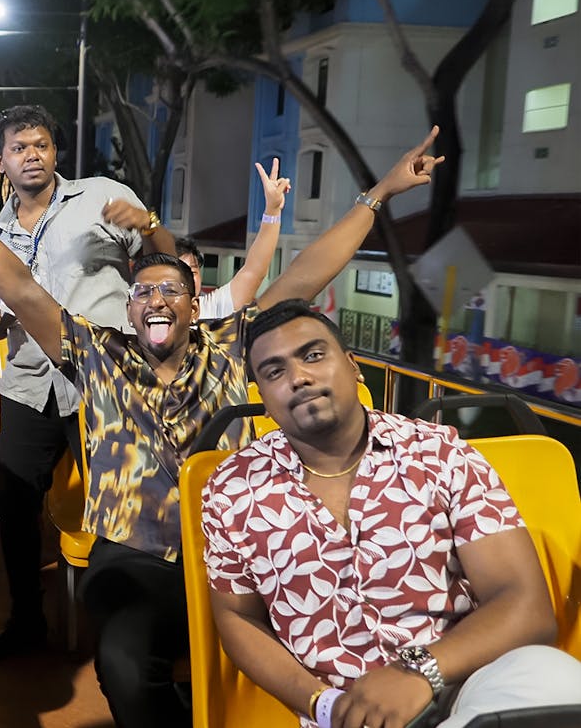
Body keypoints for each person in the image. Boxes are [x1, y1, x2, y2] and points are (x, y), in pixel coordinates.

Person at [0, 127, 445, 726]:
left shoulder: (231, 346)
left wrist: (380, 194)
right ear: (128, 307)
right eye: (142, 292)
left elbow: (306, 275)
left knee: (321, 647)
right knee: (125, 668)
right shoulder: (96, 353)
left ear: (195, 304)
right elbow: (17, 284)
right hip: (134, 552)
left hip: (233, 550)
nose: (155, 299)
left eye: (171, 290)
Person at [202, 299, 581, 728]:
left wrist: (418, 672)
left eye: (313, 355)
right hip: (344, 712)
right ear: (262, 395)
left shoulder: (439, 454)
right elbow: (237, 616)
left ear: (352, 366)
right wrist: (323, 705)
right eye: (274, 372)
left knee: (555, 677)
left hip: (462, 682)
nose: (299, 378)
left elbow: (525, 605)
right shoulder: (232, 489)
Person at [0, 105, 176, 662]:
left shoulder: (101, 195)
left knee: (124, 504)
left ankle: (128, 628)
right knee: (15, 509)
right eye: (19, 147)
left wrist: (149, 227)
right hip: (28, 382)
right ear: (0, 160)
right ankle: (27, 621)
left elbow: (166, 270)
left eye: (41, 145)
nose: (31, 155)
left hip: (107, 379)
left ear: (55, 151)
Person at [176, 158, 290, 319]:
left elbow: (254, 271)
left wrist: (273, 210)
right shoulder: (148, 315)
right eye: (179, 272)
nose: (187, 278)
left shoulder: (212, 307)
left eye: (192, 271)